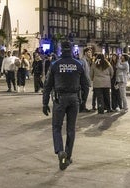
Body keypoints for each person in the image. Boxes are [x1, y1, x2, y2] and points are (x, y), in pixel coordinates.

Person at [42, 41, 89, 170]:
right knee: (71, 129)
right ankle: (68, 156)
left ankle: (60, 151)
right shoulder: (78, 64)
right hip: (74, 99)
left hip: (60, 99)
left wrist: (45, 103)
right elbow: (86, 84)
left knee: (57, 127)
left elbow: (47, 85)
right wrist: (83, 101)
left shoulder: (55, 64)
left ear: (61, 49)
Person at [79, 47, 93, 112]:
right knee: (84, 95)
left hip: (86, 80)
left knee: (84, 95)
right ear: (85, 53)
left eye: (91, 52)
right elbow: (83, 72)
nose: (90, 54)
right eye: (89, 52)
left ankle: (83, 107)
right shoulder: (82, 60)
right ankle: (81, 108)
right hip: (84, 81)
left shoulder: (87, 60)